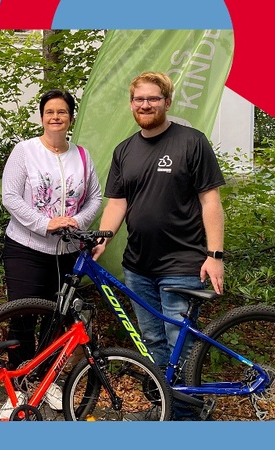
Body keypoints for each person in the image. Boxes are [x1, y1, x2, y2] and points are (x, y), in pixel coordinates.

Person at [92, 71, 226, 417]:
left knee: (180, 344)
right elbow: (117, 203)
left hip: (183, 264)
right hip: (138, 266)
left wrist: (214, 255)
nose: (145, 105)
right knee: (152, 343)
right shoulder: (124, 151)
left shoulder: (191, 142)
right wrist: (103, 238)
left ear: (167, 101)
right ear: (131, 104)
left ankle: (185, 418)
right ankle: (167, 408)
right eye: (139, 99)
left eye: (153, 98)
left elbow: (210, 202)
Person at [0, 89, 102, 415]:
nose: (56, 117)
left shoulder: (83, 156)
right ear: (42, 117)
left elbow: (96, 198)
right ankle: (18, 389)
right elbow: (10, 197)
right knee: (22, 318)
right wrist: (46, 223)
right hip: (26, 248)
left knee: (56, 321)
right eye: (50, 112)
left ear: (71, 117)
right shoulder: (25, 151)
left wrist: (76, 220)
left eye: (62, 111)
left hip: (67, 252)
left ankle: (48, 381)